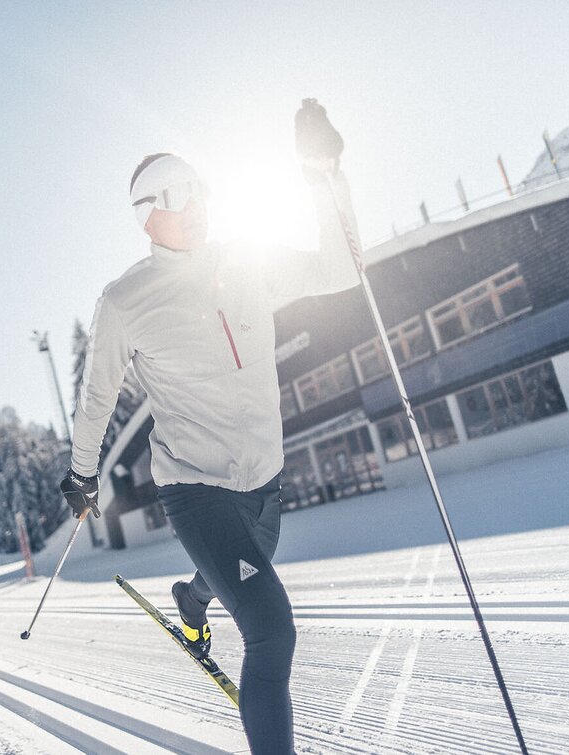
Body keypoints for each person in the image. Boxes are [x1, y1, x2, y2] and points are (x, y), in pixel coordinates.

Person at [59, 99, 362, 754]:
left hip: (264, 480)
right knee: (270, 629)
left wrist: (323, 172)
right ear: (146, 215)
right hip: (195, 488)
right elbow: (97, 397)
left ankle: (192, 601)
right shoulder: (125, 299)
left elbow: (340, 269)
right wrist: (82, 472)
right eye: (173, 196)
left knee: (238, 569)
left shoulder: (247, 259)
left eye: (197, 188)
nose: (192, 204)